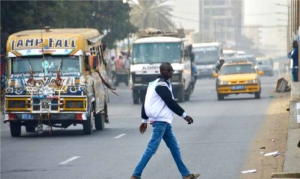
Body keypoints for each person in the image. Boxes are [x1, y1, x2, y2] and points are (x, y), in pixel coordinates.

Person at [130, 62, 200, 179]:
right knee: (151, 148)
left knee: (174, 147)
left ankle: (186, 174)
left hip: (163, 122)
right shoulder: (161, 85)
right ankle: (135, 175)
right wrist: (184, 115)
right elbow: (170, 102)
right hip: (160, 121)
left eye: (172, 70)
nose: (171, 73)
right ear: (161, 71)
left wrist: (144, 120)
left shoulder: (154, 84)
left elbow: (145, 102)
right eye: (168, 71)